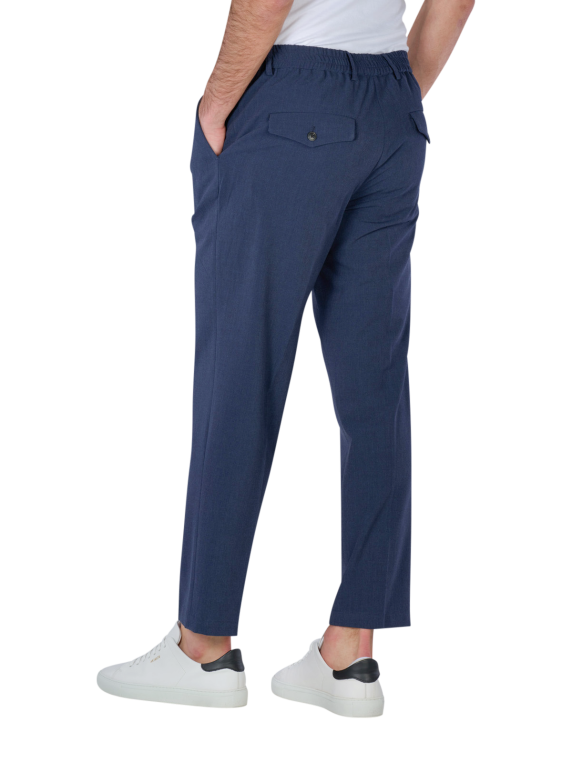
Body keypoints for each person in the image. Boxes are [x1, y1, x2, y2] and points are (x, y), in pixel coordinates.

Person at [96, 0, 475, 718]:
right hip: (391, 101)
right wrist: (394, 98)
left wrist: (217, 99)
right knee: (376, 391)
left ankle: (203, 649)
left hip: (291, 97)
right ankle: (350, 655)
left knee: (240, 371)